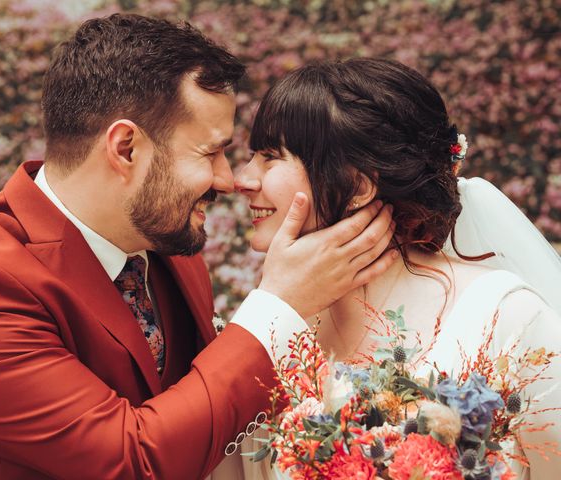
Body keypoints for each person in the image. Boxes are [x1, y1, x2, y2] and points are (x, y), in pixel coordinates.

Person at [0, 15, 397, 480]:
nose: (228, 180)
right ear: (126, 148)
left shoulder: (165, 248)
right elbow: (133, 462)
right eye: (210, 153)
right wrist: (278, 307)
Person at [235, 58, 561, 479]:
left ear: (357, 186)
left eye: (268, 157)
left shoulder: (502, 317)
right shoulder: (270, 318)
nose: (242, 179)